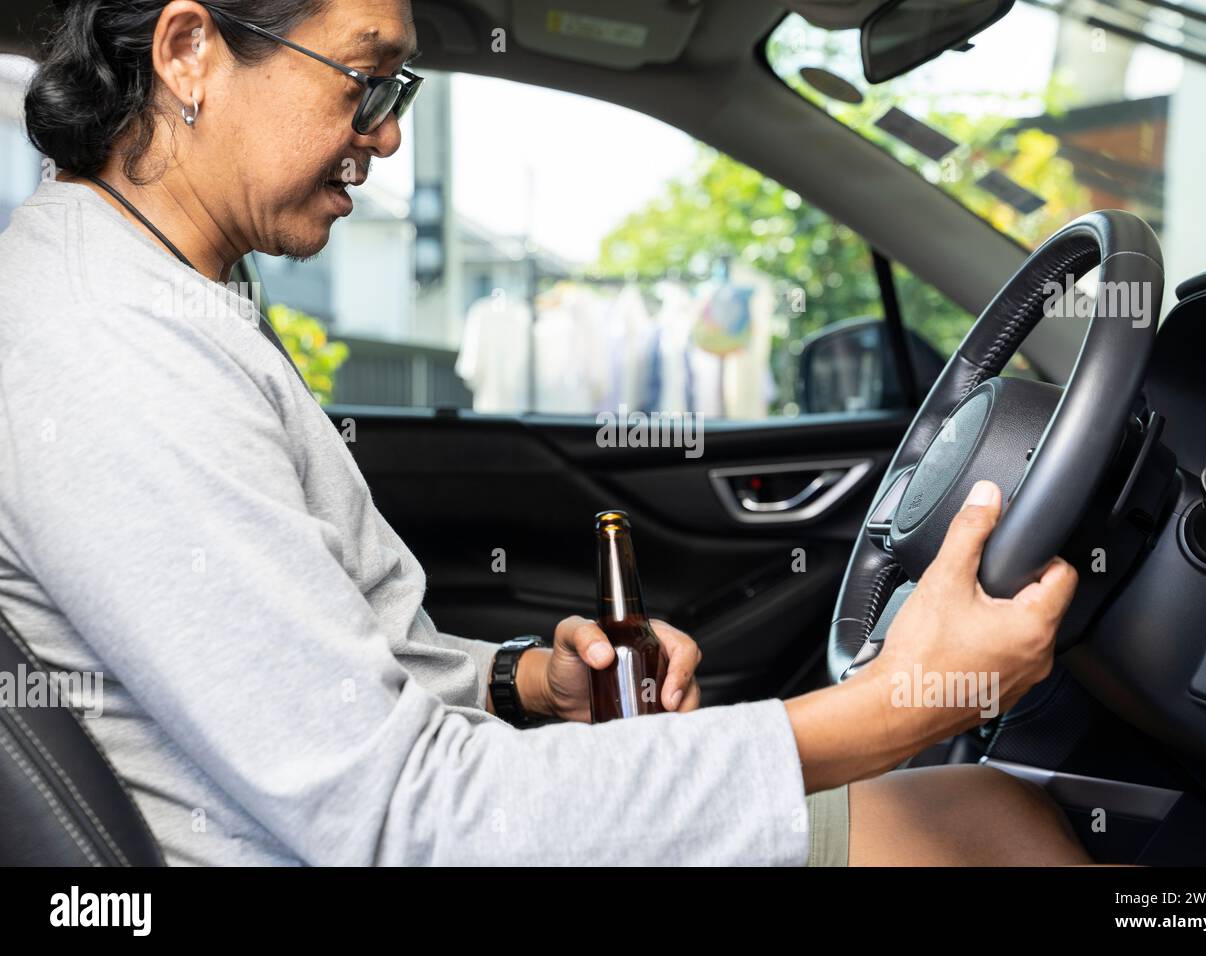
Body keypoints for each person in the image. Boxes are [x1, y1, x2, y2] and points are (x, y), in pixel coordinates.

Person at [0, 0, 1087, 866]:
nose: (382, 130)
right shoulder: (107, 340)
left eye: (400, 89)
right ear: (191, 52)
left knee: (990, 820)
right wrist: (889, 710)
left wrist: (520, 682)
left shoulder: (163, 291)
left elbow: (330, 690)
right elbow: (397, 821)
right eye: (366, 76)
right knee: (982, 831)